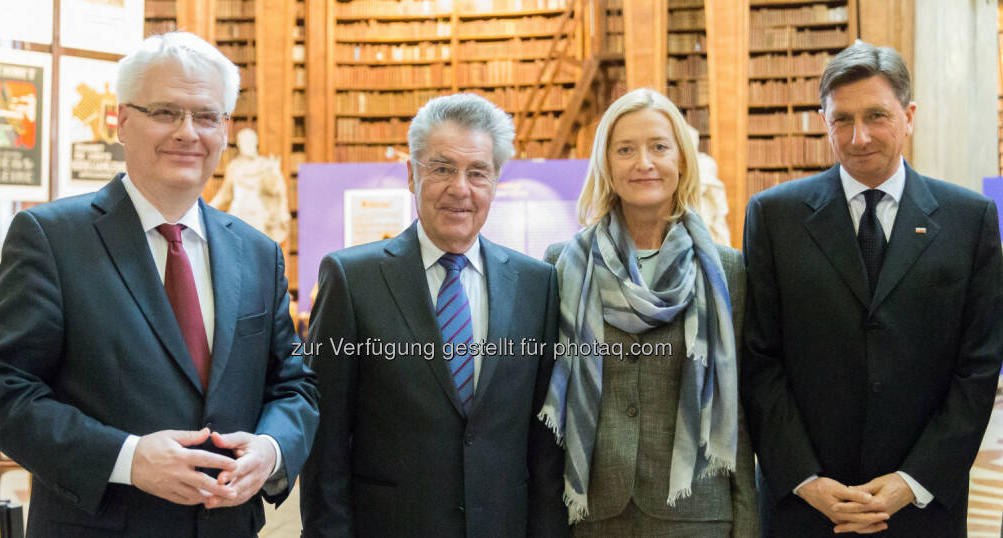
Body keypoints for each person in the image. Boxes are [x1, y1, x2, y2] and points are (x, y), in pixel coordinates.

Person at [0, 32, 318, 537]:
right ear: (121, 121)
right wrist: (128, 459)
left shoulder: (258, 252)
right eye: (165, 112)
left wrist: (270, 451)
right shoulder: (51, 238)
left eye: (207, 116)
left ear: (225, 130)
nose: (188, 132)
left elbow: (294, 385)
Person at [741, 40, 1003, 537]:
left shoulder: (970, 221)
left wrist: (912, 480)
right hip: (806, 507)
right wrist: (806, 479)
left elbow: (978, 367)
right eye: (842, 119)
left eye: (876, 116)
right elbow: (759, 360)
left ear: (909, 116)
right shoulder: (774, 217)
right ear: (824, 121)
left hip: (922, 506)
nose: (858, 137)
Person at [300, 93, 568, 538]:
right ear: (411, 175)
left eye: (477, 172)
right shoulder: (351, 279)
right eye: (441, 168)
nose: (460, 188)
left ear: (495, 180)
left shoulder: (536, 284)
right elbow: (326, 441)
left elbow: (543, 446)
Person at [540, 87, 759, 537]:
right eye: (625, 149)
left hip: (698, 514)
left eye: (659, 146)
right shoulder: (563, 265)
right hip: (593, 514)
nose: (643, 162)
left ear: (681, 159)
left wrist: (748, 521)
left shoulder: (726, 270)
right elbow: (546, 407)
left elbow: (738, 409)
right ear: (606, 163)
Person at [210, 128, 290, 245]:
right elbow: (224, 194)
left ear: (255, 143)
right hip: (237, 213)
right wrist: (206, 208)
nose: (246, 145)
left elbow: (275, 190)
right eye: (243, 142)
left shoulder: (265, 165)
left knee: (257, 250)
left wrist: (274, 173)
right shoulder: (234, 166)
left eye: (249, 141)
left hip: (256, 213)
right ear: (238, 144)